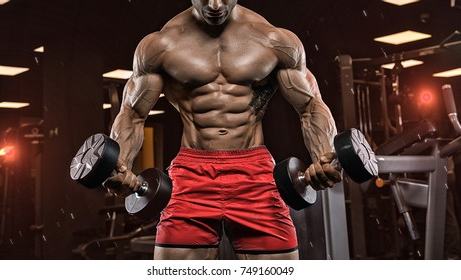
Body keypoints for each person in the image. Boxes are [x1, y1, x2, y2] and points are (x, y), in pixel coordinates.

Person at [104, 0, 341, 260]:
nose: (215, 5)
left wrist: (324, 156)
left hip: (255, 174)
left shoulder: (274, 40)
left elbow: (310, 106)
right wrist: (121, 164)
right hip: (191, 174)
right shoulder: (160, 45)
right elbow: (133, 114)